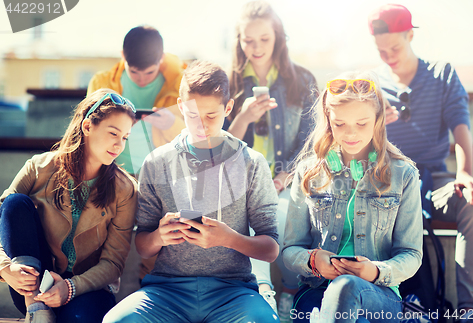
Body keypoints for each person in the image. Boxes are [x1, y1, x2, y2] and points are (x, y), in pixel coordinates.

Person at [102, 60, 280, 323]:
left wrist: (227, 238)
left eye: (211, 116)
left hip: (233, 292)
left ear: (228, 108)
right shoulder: (156, 162)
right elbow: (143, 246)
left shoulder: (251, 163)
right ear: (181, 106)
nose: (202, 126)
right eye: (193, 115)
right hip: (167, 291)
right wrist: (160, 237)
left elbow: (271, 248)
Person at [367, 4, 473, 322]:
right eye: (382, 51)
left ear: (410, 35)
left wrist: (464, 173)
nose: (389, 56)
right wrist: (377, 127)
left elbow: (461, 124)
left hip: (434, 180)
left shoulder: (442, 74)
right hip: (389, 186)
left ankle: (470, 311)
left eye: (395, 47)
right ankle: (402, 303)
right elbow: (362, 149)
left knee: (472, 200)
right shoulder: (371, 85)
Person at [282, 72, 423, 322]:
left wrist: (375, 271)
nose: (350, 134)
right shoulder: (307, 172)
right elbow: (290, 249)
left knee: (346, 287)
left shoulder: (404, 174)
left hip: (379, 295)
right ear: (328, 121)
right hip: (316, 291)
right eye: (340, 124)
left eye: (362, 124)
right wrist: (313, 260)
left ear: (378, 120)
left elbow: (411, 254)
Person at [0, 89, 138, 323]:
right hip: (31, 285)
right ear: (87, 127)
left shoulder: (125, 189)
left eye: (125, 137)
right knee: (14, 204)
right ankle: (36, 309)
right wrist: (4, 268)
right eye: (113, 133)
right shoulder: (39, 167)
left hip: (86, 289)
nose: (119, 145)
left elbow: (113, 263)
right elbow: (4, 218)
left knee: (80, 318)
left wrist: (70, 288)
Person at [225, 1, 318, 319]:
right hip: (242, 181)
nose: (256, 47)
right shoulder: (228, 83)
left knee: (285, 207)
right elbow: (218, 148)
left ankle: (291, 293)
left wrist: (284, 177)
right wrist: (243, 117)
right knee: (250, 209)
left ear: (278, 37)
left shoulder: (302, 80)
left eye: (264, 39)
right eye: (248, 40)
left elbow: (312, 140)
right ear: (238, 40)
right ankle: (263, 290)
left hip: (287, 178)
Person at [88, 25, 186, 176]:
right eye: (134, 72)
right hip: (112, 174)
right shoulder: (101, 83)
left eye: (149, 73)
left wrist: (172, 124)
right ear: (122, 56)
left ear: (162, 58)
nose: (141, 80)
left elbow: (199, 135)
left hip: (163, 175)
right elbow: (88, 132)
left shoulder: (182, 83)